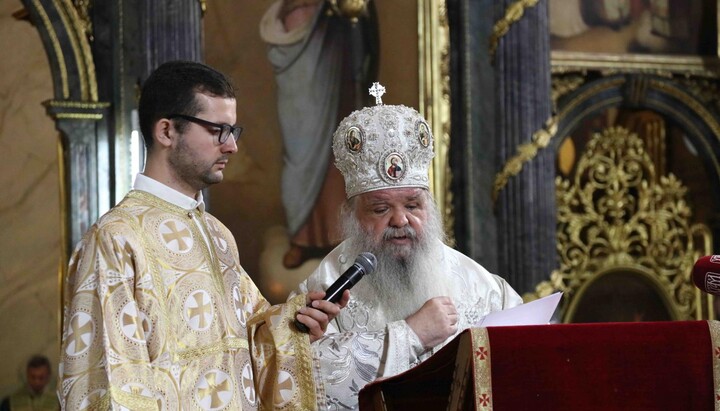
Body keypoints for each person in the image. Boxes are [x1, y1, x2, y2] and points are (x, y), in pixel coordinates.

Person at [57, 61, 348, 410]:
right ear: (167, 131)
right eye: (217, 130)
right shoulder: (116, 238)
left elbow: (251, 344)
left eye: (233, 131)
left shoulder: (217, 234)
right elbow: (111, 384)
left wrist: (297, 321)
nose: (231, 147)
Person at [290, 83, 523, 409]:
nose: (400, 220)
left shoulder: (483, 287)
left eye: (413, 205)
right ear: (352, 216)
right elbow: (299, 384)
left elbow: (524, 365)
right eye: (380, 209)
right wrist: (410, 335)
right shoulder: (323, 289)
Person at [260, 0, 378, 268]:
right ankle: (301, 237)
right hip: (301, 55)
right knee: (299, 151)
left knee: (338, 153)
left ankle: (336, 236)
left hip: (335, 51)